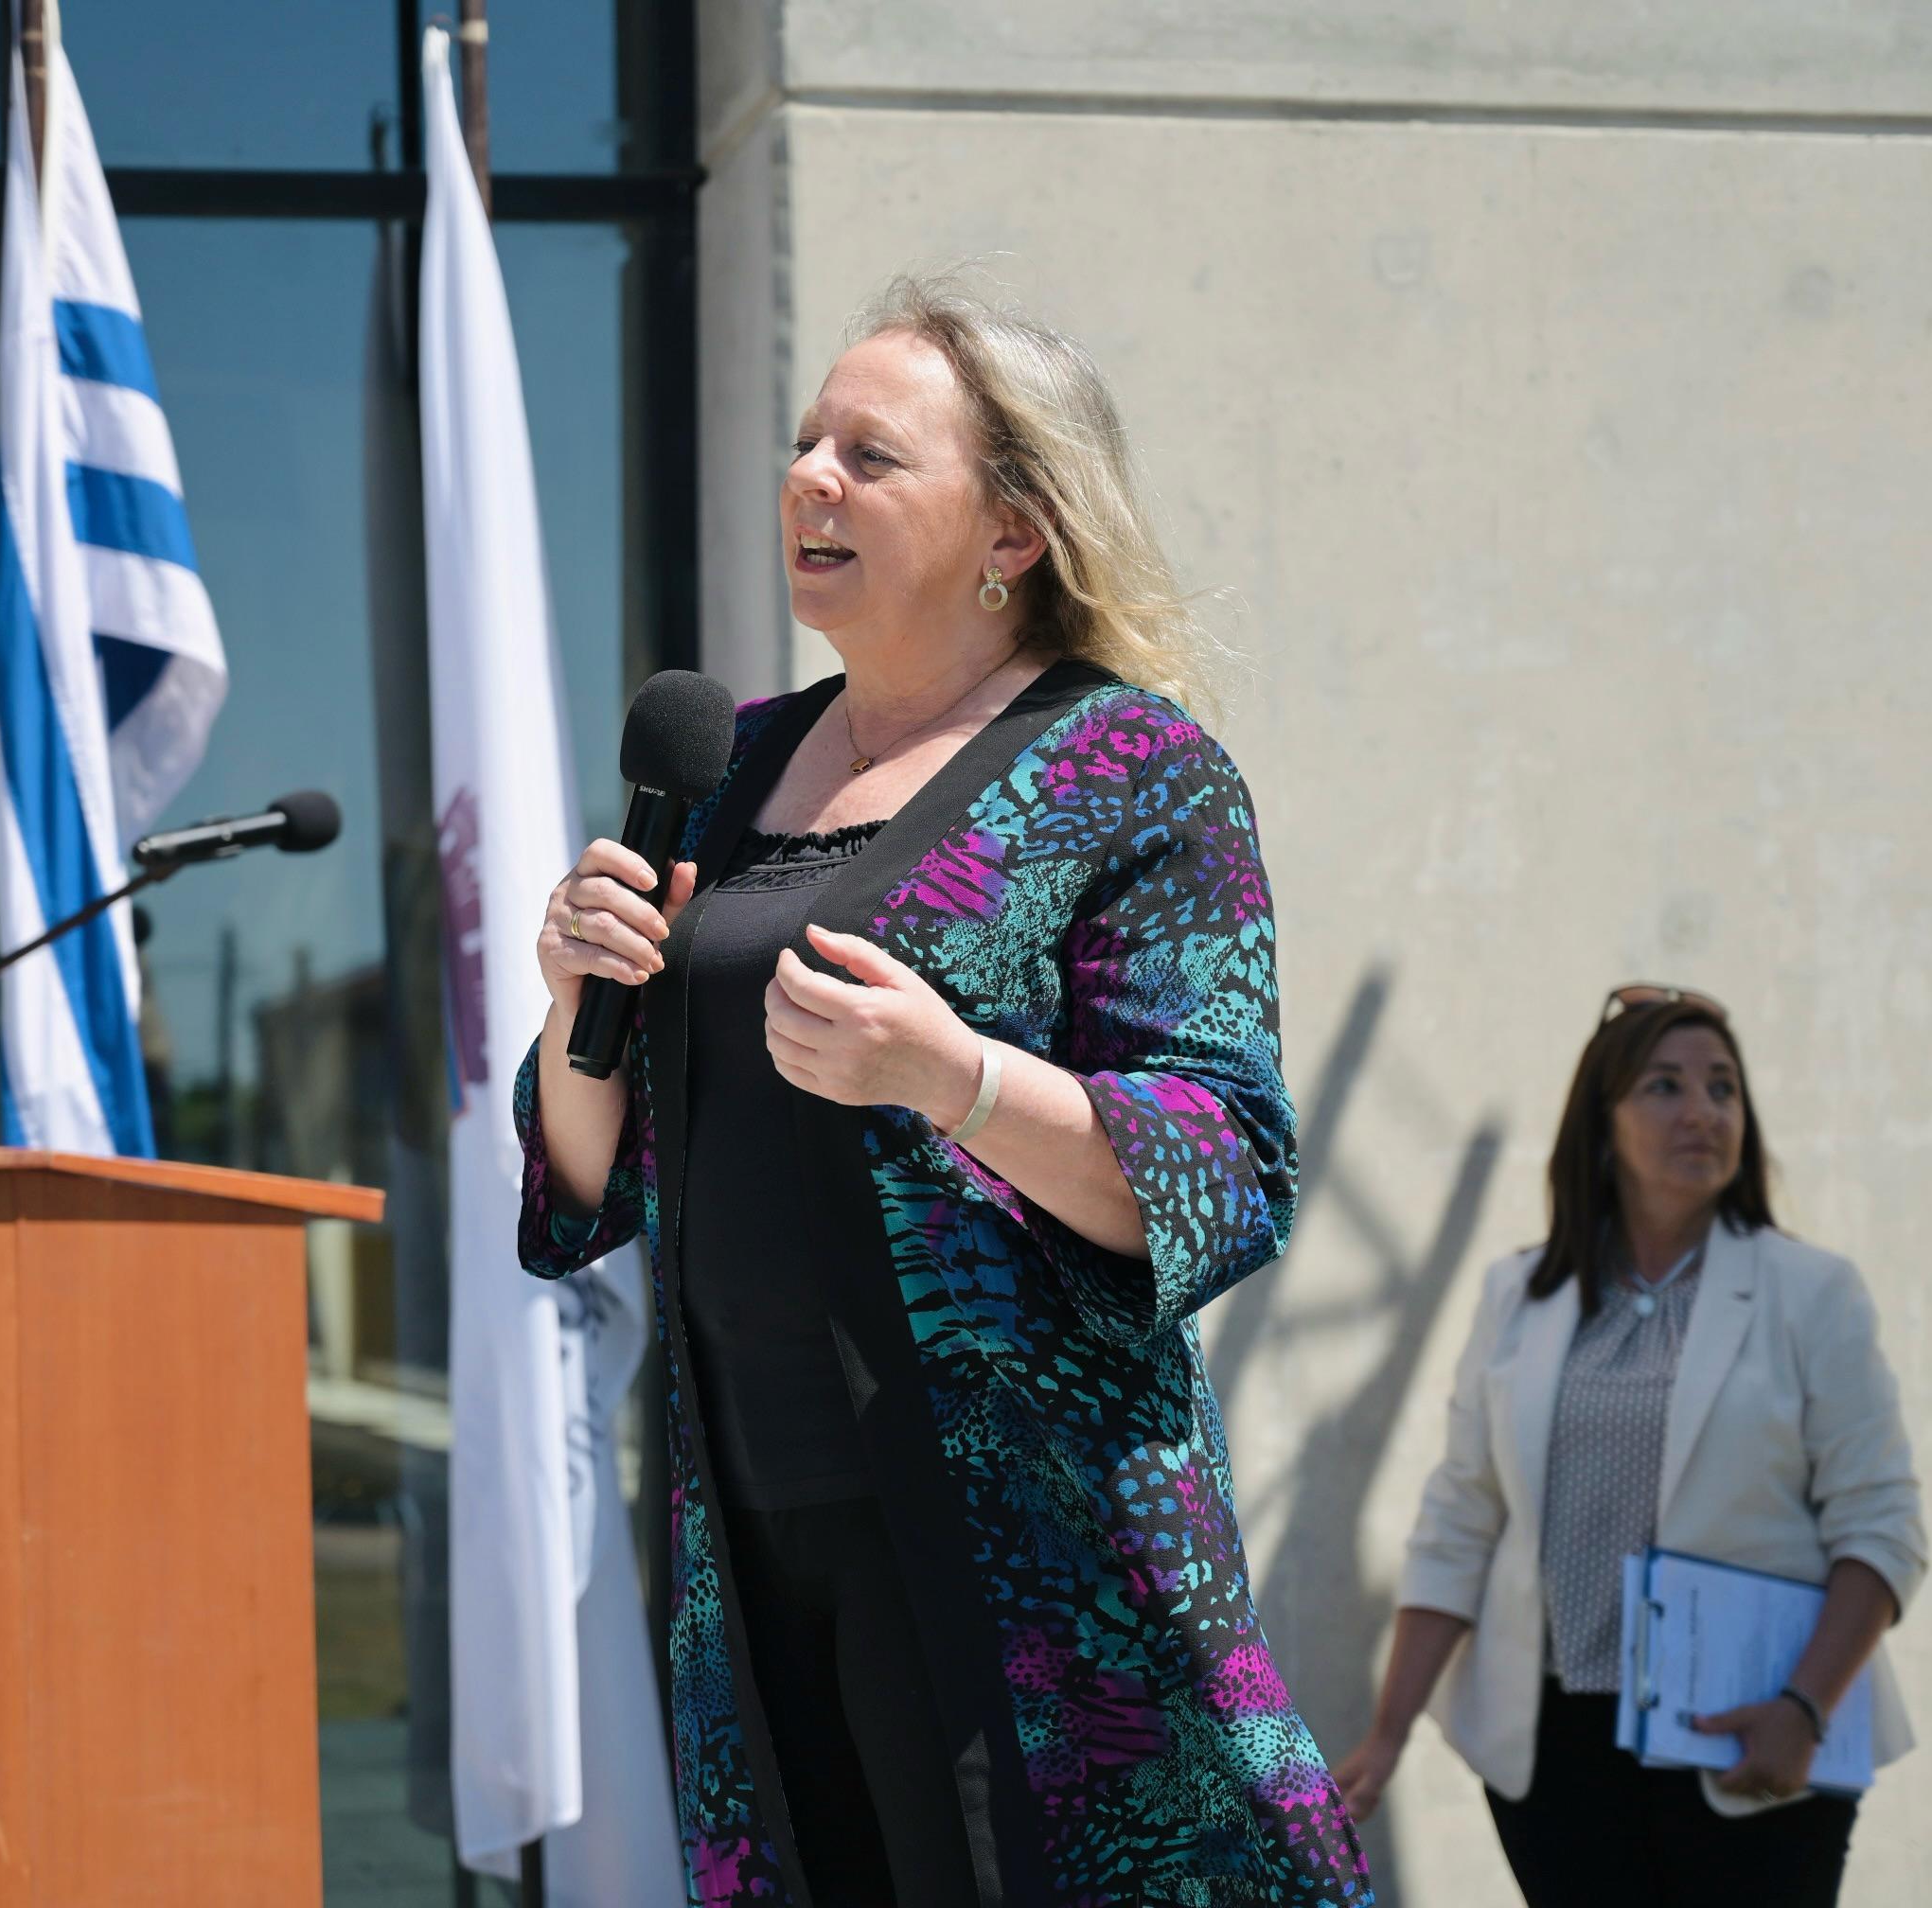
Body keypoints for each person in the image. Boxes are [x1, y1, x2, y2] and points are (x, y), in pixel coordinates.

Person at [515, 274, 1369, 1907]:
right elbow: (588, 1180)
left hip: (1023, 1551)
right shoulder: (732, 764)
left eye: (870, 455)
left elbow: (1221, 1165)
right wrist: (574, 1010)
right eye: (803, 442)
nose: (808, 479)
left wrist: (958, 1077)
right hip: (752, 1529)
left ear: (1012, 531)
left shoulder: (1132, 771)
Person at [1331, 986, 1924, 1908]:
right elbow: (1461, 1517)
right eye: (1665, 1086)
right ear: (1602, 1126)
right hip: (1553, 1747)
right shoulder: (1517, 1295)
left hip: (1748, 1733)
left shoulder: (1813, 1293)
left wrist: (1803, 1709)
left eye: (1723, 1088)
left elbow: (1882, 1528)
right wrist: (1389, 1734)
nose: (1702, 1111)